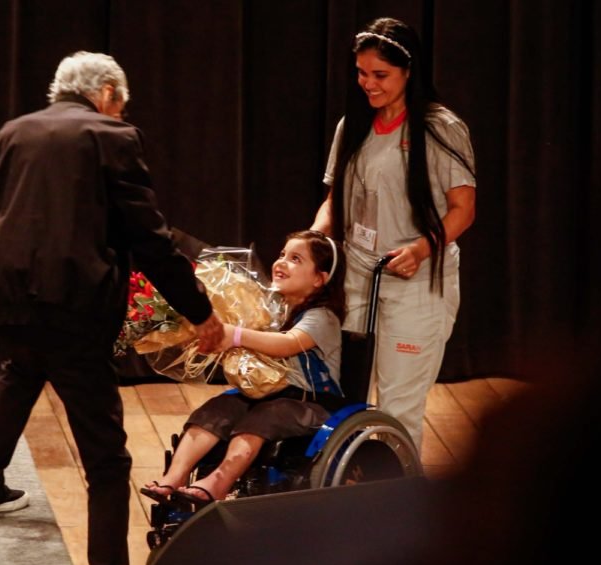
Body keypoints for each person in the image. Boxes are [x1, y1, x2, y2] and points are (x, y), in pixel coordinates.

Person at [0, 51, 223, 565]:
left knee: (20, 369)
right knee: (107, 459)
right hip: (72, 306)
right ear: (107, 93)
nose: (121, 113)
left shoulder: (12, 132)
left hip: (2, 294)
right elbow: (149, 238)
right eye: (121, 105)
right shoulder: (112, 136)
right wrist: (199, 310)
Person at [311, 17, 476, 452]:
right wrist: (310, 242)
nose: (368, 84)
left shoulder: (440, 128)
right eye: (361, 73)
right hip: (357, 277)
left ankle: (396, 489)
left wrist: (421, 249)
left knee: (397, 408)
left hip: (416, 284)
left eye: (380, 75)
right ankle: (347, 485)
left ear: (408, 72)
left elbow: (463, 210)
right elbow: (335, 200)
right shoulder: (353, 125)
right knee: (344, 399)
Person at [141, 229, 346, 505]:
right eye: (282, 254)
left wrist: (235, 335)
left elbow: (287, 344)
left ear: (319, 278)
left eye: (296, 259)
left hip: (313, 402)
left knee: (263, 418)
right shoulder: (272, 308)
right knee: (215, 410)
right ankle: (173, 478)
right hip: (271, 396)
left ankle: (218, 483)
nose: (282, 262)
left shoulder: (323, 317)